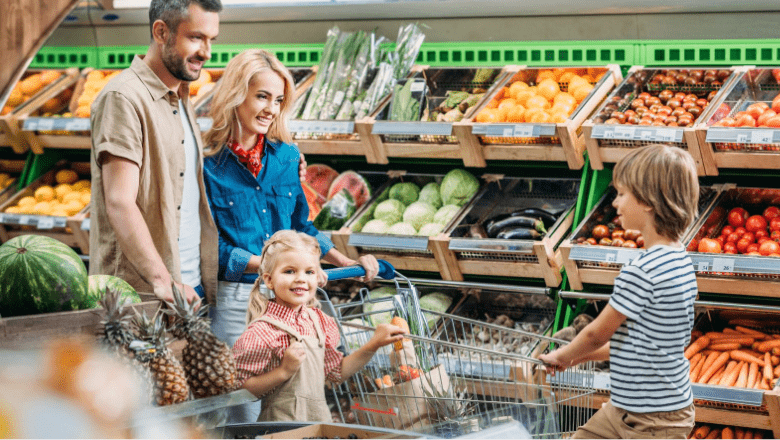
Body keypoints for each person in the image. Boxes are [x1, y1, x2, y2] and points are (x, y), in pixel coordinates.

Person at [202, 48, 379, 350]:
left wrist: (344, 260)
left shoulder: (287, 157)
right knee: (246, 395)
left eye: (278, 100)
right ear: (235, 95)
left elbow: (301, 227)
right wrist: (277, 268)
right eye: (262, 96)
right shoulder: (205, 164)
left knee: (292, 392)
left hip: (289, 299)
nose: (271, 108)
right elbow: (208, 245)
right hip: (237, 301)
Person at [539, 144, 699, 439]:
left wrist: (564, 354)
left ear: (648, 201)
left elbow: (595, 334)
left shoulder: (643, 270)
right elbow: (640, 345)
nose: (615, 203)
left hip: (652, 421)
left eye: (622, 194)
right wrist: (579, 358)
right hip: (629, 410)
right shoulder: (680, 260)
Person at [89, 0, 223, 305]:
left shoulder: (180, 95)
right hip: (140, 296)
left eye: (211, 40)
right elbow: (120, 201)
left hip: (188, 287)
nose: (207, 52)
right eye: (196, 38)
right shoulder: (123, 97)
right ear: (161, 32)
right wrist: (163, 279)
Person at [233, 230, 404, 422]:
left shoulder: (319, 321)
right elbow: (241, 390)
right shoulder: (262, 332)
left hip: (318, 427)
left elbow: (336, 373)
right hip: (280, 432)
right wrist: (283, 371)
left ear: (318, 277)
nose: (300, 279)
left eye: (309, 272)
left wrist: (374, 344)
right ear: (269, 279)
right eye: (289, 271)